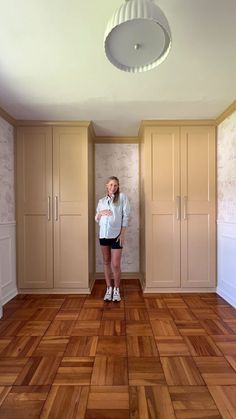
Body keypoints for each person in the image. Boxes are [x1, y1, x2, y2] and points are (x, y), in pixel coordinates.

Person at [95, 176, 130, 302]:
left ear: (118, 186)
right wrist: (99, 214)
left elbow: (126, 216)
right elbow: (97, 218)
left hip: (116, 235)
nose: (113, 187)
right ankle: (109, 288)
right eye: (111, 185)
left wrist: (122, 234)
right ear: (106, 185)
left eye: (115, 185)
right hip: (103, 235)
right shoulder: (101, 201)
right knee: (106, 261)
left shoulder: (122, 198)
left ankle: (116, 289)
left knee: (115, 264)